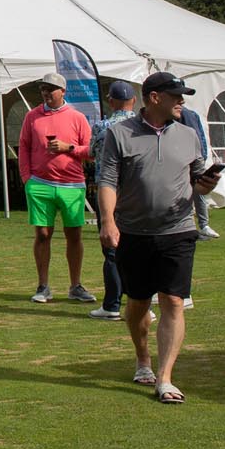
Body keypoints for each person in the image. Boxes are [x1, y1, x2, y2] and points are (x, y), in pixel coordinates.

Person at [98, 72, 221, 404]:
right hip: (133, 232)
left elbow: (196, 181)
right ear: (154, 98)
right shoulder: (119, 133)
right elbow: (107, 180)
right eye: (176, 95)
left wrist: (206, 184)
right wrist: (108, 222)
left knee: (173, 301)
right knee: (138, 302)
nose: (181, 101)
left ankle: (165, 379)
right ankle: (143, 359)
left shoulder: (189, 134)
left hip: (178, 230)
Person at [18, 72, 96, 304]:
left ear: (63, 91)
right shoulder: (32, 116)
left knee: (74, 235)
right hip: (40, 185)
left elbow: (90, 151)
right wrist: (27, 179)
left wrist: (68, 147)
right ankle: (43, 286)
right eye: (43, 89)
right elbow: (23, 146)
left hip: (72, 185)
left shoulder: (77, 117)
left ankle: (76, 285)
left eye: (50, 89)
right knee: (42, 234)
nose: (46, 93)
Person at [88, 81, 137, 320]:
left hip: (108, 191)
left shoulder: (102, 126)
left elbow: (91, 153)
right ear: (134, 101)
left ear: (111, 101)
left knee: (111, 250)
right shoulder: (143, 126)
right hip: (136, 193)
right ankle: (141, 302)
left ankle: (112, 304)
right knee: (138, 247)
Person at [180, 105, 219, 242]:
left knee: (199, 190)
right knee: (191, 191)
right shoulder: (187, 114)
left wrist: (202, 155)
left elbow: (199, 136)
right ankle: (198, 225)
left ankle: (203, 225)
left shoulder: (189, 114)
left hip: (194, 158)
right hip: (188, 158)